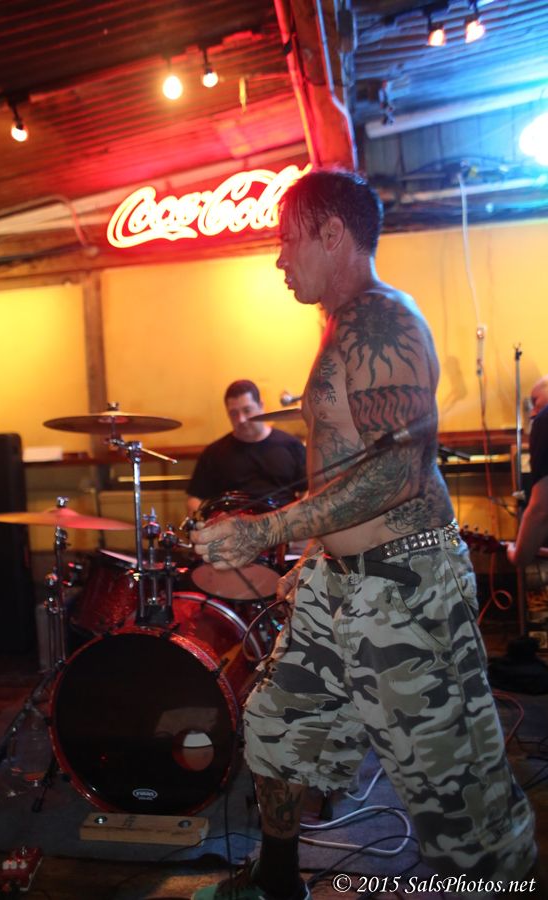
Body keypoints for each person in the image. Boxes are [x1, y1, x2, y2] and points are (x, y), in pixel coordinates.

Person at [191, 169, 539, 900]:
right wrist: (315, 554)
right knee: (277, 722)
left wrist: (269, 530)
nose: (279, 260)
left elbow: (398, 472)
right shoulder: (341, 327)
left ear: (331, 234)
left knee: (453, 787)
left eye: (287, 241)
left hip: (407, 582)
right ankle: (277, 879)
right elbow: (347, 471)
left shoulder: (384, 321)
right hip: (342, 582)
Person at [186, 379, 306, 515]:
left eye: (247, 410)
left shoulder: (291, 445)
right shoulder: (213, 453)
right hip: (232, 524)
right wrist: (204, 519)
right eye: (234, 413)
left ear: (261, 405)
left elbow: (308, 491)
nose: (241, 419)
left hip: (284, 523)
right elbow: (195, 499)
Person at [507, 374, 548, 567]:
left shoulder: (545, 419)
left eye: (535, 400)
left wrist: (519, 557)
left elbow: (541, 510)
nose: (532, 413)